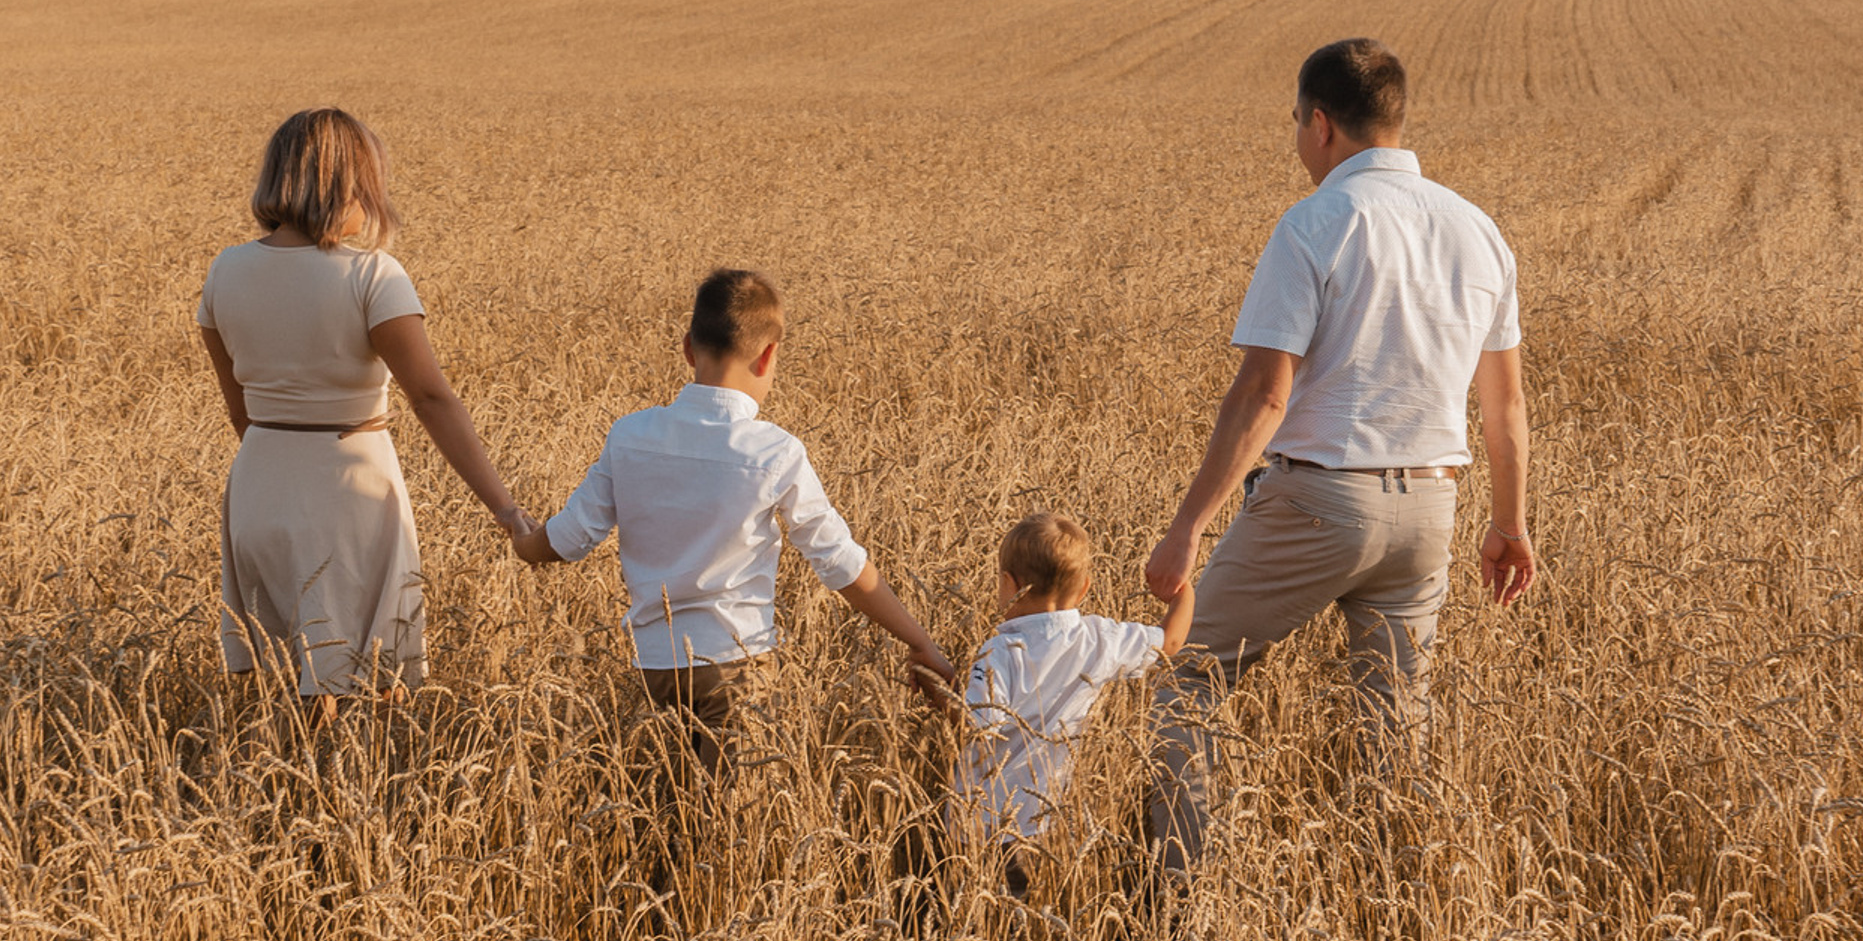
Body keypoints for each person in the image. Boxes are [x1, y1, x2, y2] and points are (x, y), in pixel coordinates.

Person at [1142, 38, 1534, 873]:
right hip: (1433, 507)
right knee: (1395, 730)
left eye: (1295, 122)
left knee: (1184, 682)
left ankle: (1176, 892)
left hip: (1321, 501)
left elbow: (1264, 396)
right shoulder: (1478, 230)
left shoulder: (1319, 221)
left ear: (1321, 125)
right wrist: (1509, 524)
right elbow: (1504, 406)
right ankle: (1402, 909)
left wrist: (1186, 531)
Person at [510, 267, 953, 777]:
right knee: (730, 824)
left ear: (687, 349)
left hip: (657, 664)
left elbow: (569, 537)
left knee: (672, 811)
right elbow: (840, 564)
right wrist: (917, 640)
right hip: (739, 666)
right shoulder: (776, 452)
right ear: (769, 356)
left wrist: (524, 542)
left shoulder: (629, 435)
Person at [197, 107, 526, 703]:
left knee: (273, 676)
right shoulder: (374, 275)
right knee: (362, 682)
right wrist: (504, 509)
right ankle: (337, 794)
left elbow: (239, 411)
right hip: (349, 487)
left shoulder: (226, 270)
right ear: (350, 185)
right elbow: (430, 398)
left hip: (257, 483)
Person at [950, 510, 1194, 889]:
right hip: (1046, 814)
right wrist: (1183, 592)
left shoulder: (999, 651)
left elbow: (978, 724)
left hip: (979, 815)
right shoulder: (1101, 639)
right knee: (1027, 900)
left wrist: (943, 691)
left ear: (1007, 584)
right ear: (1084, 589)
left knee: (971, 899)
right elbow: (1171, 643)